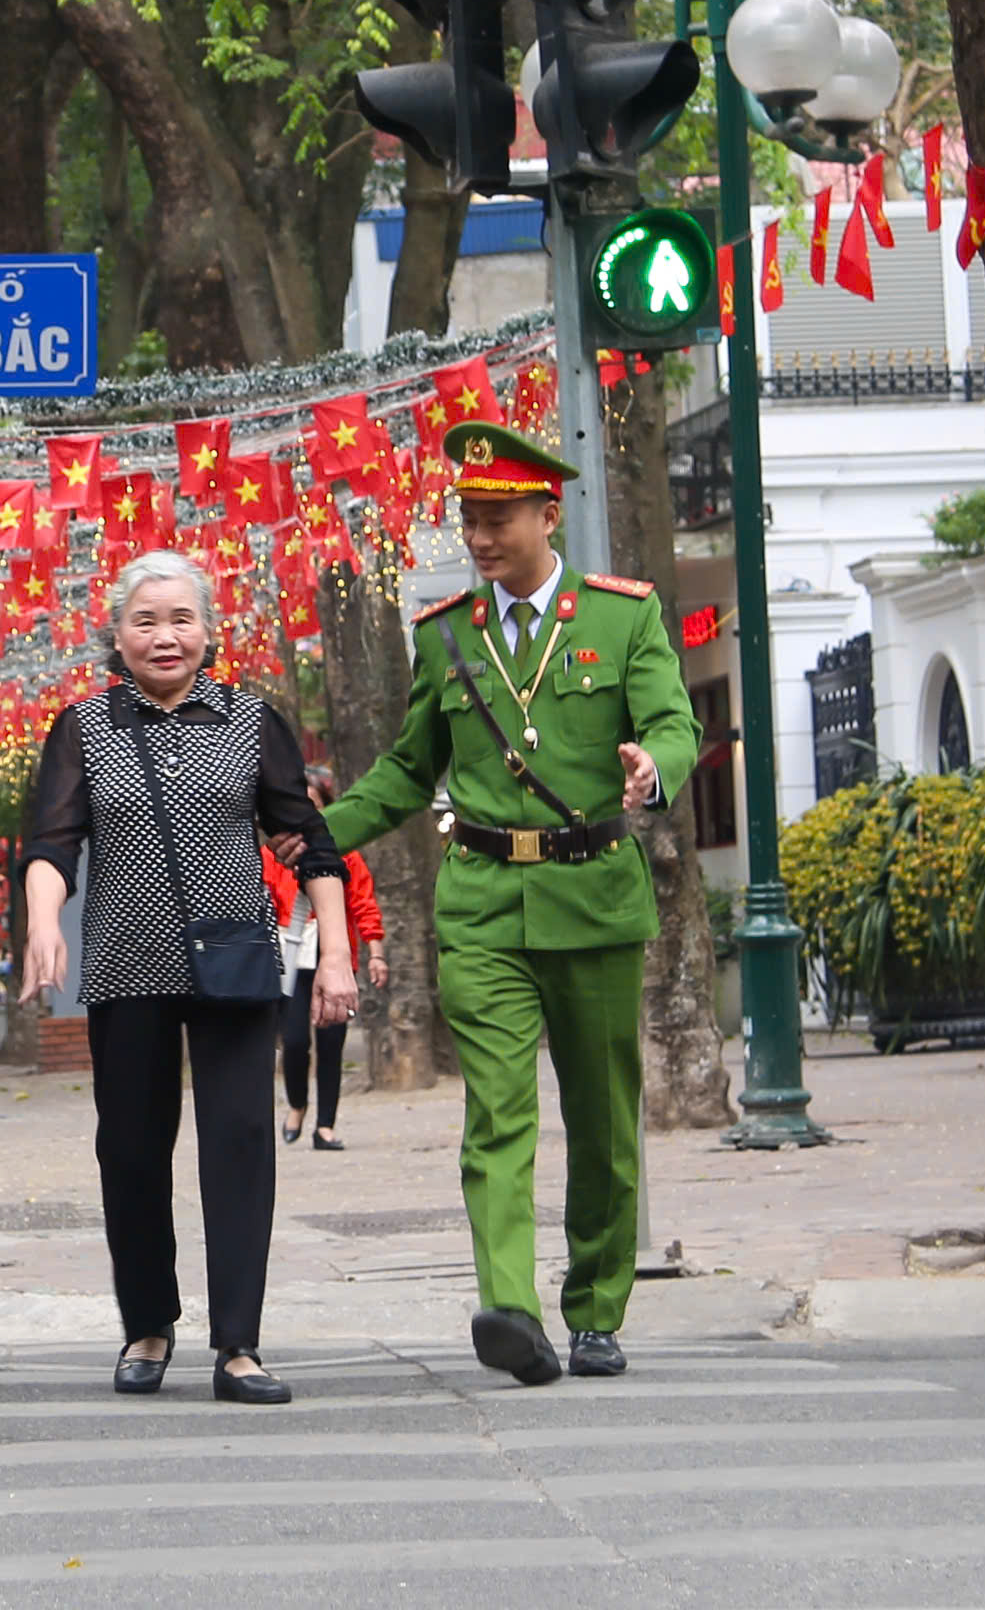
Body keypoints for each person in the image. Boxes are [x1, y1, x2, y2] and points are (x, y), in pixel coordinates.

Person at [286, 420, 699, 1385]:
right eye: (468, 518)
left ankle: (594, 1309)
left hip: (593, 897)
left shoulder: (622, 619)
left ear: (548, 515)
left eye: (497, 518)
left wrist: (652, 766)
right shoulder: (446, 637)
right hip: (481, 907)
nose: (477, 537)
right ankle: (510, 1308)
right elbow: (407, 770)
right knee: (499, 1111)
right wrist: (315, 833)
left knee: (602, 1118)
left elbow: (674, 723)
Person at [20, 549, 354, 1407]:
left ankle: (238, 1344)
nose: (164, 636)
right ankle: (147, 1326)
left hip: (235, 964)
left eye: (181, 619)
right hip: (126, 964)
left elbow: (308, 841)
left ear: (208, 630)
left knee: (240, 1146)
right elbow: (52, 843)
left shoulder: (251, 721)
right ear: (117, 634)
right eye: (146, 620)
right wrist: (43, 921)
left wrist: (337, 954)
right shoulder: (84, 727)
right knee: (131, 1150)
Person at [264, 775, 388, 1150]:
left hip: (333, 955)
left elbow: (364, 905)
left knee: (332, 1044)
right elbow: (266, 902)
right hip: (292, 958)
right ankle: (297, 1105)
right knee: (295, 1041)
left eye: (313, 805)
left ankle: (325, 1126)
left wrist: (376, 954)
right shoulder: (272, 855)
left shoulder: (346, 854)